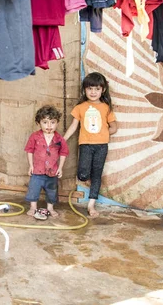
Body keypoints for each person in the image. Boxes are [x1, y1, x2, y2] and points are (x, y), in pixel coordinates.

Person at [64, 72, 117, 218]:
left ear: (103, 90)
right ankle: (84, 176)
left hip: (101, 146)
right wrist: (63, 139)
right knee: (83, 174)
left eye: (97, 89)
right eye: (90, 89)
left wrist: (103, 134)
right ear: (84, 90)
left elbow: (114, 127)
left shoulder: (106, 107)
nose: (93, 92)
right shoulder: (81, 107)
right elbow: (74, 126)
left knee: (97, 174)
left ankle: (91, 204)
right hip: (85, 145)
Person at [24, 105, 69, 218]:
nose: (49, 126)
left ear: (57, 123)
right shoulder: (35, 136)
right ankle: (33, 207)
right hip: (37, 170)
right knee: (33, 189)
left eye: (52, 122)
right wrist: (31, 166)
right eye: (45, 122)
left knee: (52, 191)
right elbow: (29, 150)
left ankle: (50, 208)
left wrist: (60, 168)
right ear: (39, 123)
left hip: (52, 171)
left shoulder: (59, 139)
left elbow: (63, 153)